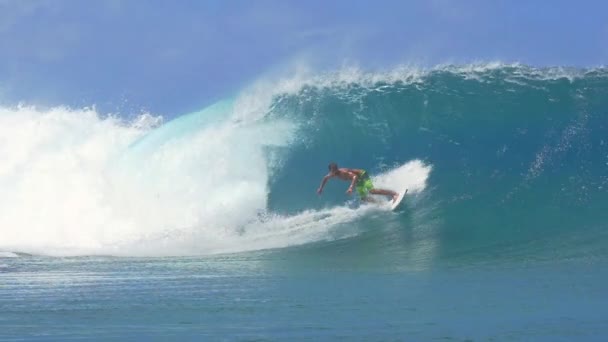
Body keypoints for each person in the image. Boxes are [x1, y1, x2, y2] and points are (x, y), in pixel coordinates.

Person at [317, 162, 398, 203]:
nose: (334, 172)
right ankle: (382, 204)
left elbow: (354, 177)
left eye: (335, 170)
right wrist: (321, 188)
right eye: (332, 171)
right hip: (358, 180)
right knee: (364, 198)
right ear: (330, 171)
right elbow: (325, 178)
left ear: (337, 168)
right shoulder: (332, 175)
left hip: (362, 174)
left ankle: (394, 194)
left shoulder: (343, 172)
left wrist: (351, 187)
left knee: (372, 191)